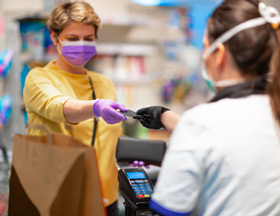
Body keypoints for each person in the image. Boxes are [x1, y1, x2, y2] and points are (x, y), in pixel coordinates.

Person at [136, 0, 280, 215]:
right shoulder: (272, 110)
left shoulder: (202, 123)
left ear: (219, 53)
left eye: (205, 46)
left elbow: (169, 210)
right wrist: (169, 118)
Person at [23, 1, 127, 215]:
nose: (81, 44)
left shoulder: (103, 83)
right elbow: (58, 106)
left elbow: (110, 139)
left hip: (105, 200)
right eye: (72, 39)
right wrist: (96, 107)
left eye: (88, 39)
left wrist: (127, 160)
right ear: (54, 37)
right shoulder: (39, 78)